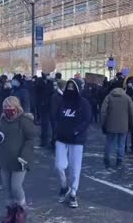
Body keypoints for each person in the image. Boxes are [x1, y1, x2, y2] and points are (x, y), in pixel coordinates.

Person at [0, 96, 37, 220]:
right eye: (5, 107)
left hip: (20, 161)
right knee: (6, 187)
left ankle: (21, 209)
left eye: (10, 106)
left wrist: (24, 156)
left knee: (16, 187)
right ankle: (11, 210)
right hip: (4, 159)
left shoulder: (24, 121)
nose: (7, 109)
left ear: (16, 107)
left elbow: (31, 139)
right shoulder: (0, 121)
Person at [54, 79, 91, 208]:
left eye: (72, 86)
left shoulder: (84, 103)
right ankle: (64, 186)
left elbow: (87, 120)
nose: (70, 89)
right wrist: (57, 129)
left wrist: (77, 131)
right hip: (61, 138)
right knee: (59, 165)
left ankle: (73, 193)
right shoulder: (61, 101)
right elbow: (56, 117)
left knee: (75, 168)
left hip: (76, 140)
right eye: (68, 86)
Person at [101, 81, 133, 168]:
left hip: (110, 124)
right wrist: (131, 123)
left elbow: (103, 112)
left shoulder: (108, 97)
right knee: (121, 144)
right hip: (124, 124)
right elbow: (132, 112)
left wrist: (103, 123)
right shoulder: (127, 98)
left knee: (109, 143)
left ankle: (106, 159)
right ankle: (119, 160)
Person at [50, 79, 67, 148]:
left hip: (61, 117)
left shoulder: (62, 94)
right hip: (57, 118)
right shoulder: (55, 96)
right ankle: (54, 145)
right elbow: (53, 109)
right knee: (56, 132)